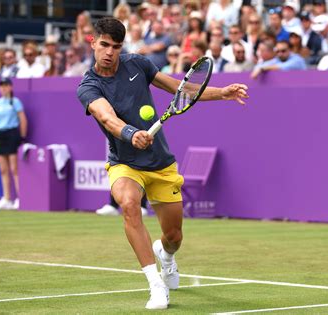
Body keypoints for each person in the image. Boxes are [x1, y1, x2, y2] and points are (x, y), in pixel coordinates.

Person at [77, 17, 248, 310]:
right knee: (130, 205)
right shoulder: (88, 86)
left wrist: (222, 93)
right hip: (124, 163)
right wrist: (131, 134)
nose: (109, 52)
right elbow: (107, 118)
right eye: (104, 45)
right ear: (93, 42)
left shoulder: (138, 65)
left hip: (160, 164)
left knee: (174, 237)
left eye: (116, 47)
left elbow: (180, 89)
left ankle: (166, 256)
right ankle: (155, 285)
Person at [0, 78, 28, 211]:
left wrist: (22, 137)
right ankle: (7, 199)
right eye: (1, 86)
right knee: (3, 169)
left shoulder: (15, 102)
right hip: (1, 134)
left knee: (14, 169)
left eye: (6, 85)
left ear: (10, 87)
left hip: (13, 134)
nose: (3, 88)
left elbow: (23, 120)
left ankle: (20, 199)